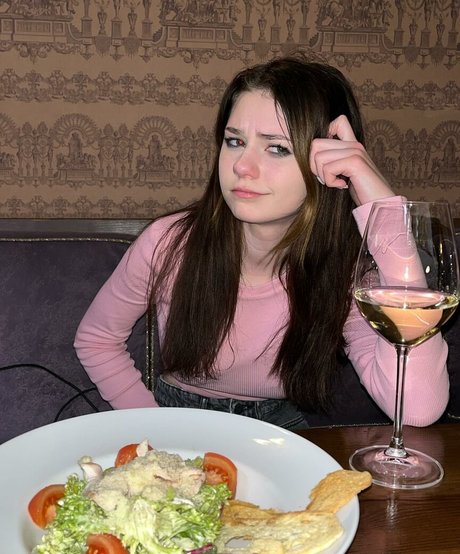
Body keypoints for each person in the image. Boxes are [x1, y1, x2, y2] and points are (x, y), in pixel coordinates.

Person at [74, 55, 449, 430]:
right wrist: (152, 426)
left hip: (280, 428)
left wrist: (383, 210)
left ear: (331, 164)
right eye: (234, 141)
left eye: (277, 148)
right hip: (177, 415)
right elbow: (97, 339)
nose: (241, 166)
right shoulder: (169, 243)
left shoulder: (347, 272)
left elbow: (417, 408)